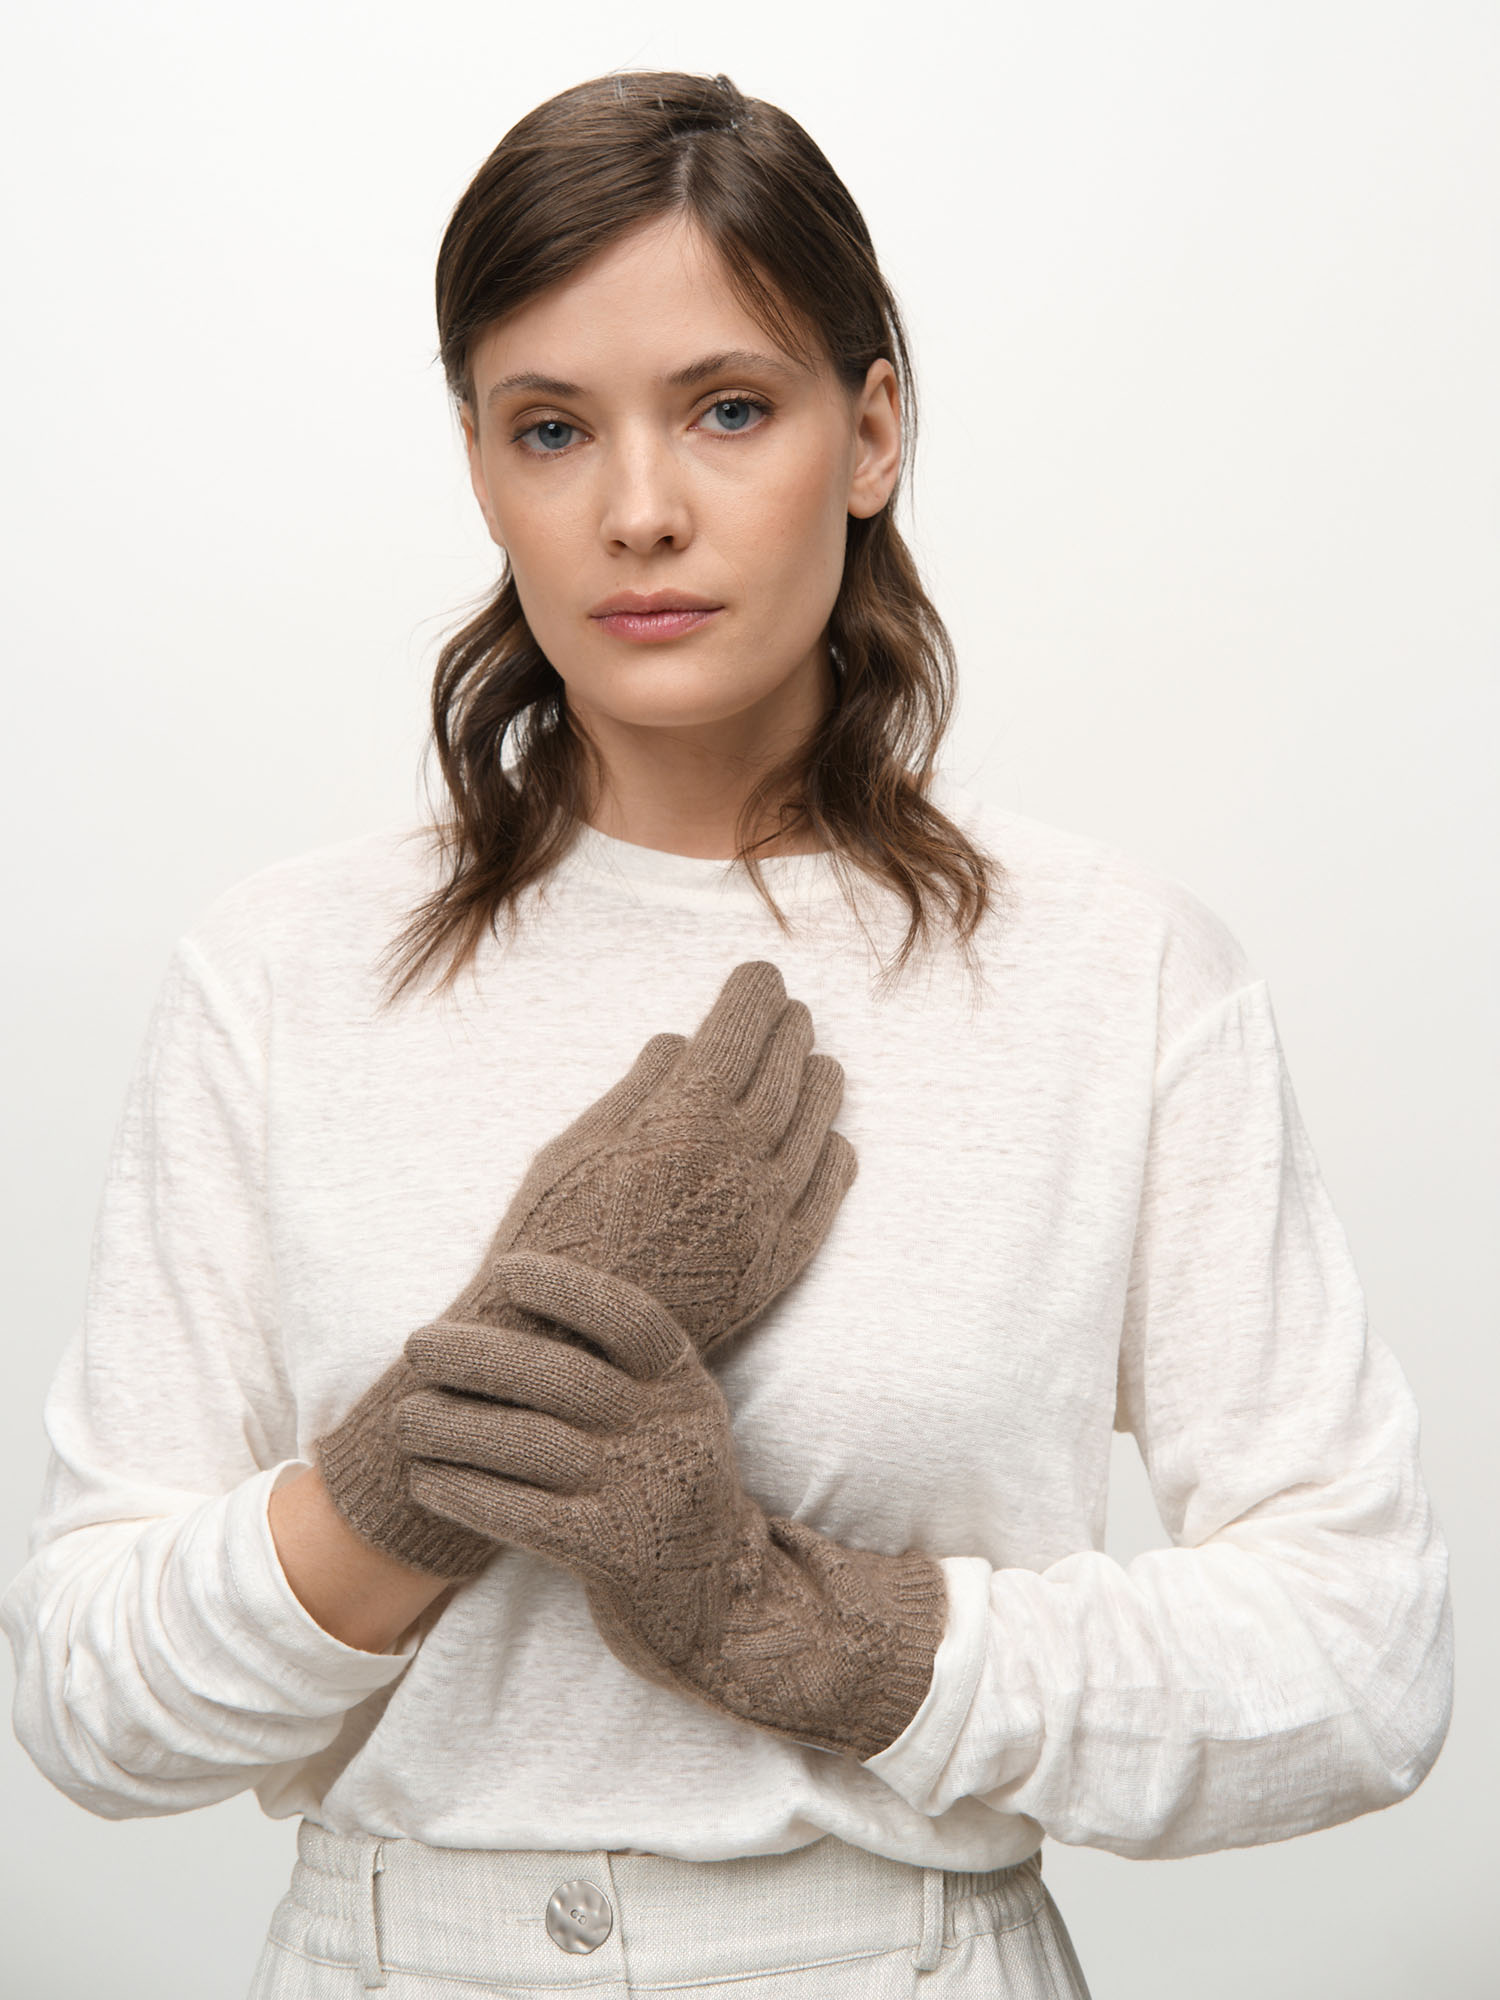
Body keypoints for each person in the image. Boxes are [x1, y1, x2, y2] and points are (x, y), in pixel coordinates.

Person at [1, 69, 1453, 2000]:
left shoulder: (1121, 972)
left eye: (730, 409)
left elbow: (1362, 1659)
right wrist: (414, 1463)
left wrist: (789, 1619)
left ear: (873, 433)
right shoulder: (279, 971)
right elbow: (89, 1708)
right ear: (478, 467)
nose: (639, 512)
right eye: (549, 429)